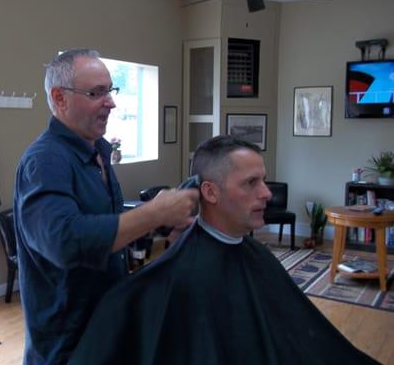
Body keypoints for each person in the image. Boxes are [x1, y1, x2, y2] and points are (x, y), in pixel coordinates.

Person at [70, 135, 379, 365]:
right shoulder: (174, 281)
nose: (267, 193)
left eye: (265, 181)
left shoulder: (259, 257)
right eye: (251, 183)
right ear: (210, 192)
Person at [13, 48, 199, 364]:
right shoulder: (44, 161)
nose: (110, 102)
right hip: (65, 343)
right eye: (96, 93)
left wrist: (162, 225)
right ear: (60, 98)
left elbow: (106, 226)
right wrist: (154, 212)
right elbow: (64, 241)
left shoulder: (98, 150)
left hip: (105, 325)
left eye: (110, 91)